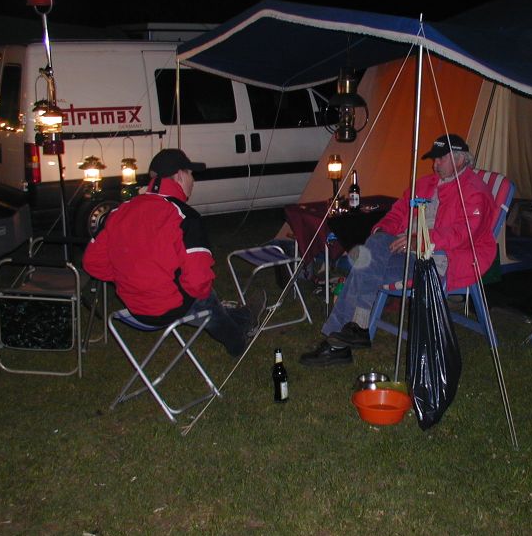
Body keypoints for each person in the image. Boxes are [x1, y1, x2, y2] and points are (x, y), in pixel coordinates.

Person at [300, 134, 498, 366]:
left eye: (440, 159)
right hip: (406, 251)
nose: (434, 165)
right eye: (434, 159)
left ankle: (342, 341)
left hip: (439, 258)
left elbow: (463, 233)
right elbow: (397, 213)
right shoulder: (425, 184)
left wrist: (418, 240)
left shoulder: (474, 192)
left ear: (460, 159)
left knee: (363, 269)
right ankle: (350, 333)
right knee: (369, 255)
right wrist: (382, 230)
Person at [83, 148, 262, 358]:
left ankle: (241, 315)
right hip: (165, 309)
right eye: (191, 174)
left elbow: (92, 262)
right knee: (206, 296)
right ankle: (238, 339)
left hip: (133, 307)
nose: (193, 180)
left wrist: (128, 278)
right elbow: (198, 283)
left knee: (196, 292)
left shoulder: (120, 211)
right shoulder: (184, 216)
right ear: (179, 176)